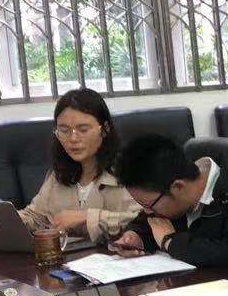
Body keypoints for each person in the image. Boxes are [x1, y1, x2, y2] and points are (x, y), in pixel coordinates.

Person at [112, 134, 228, 267]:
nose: (147, 211)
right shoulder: (170, 187)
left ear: (178, 187)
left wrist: (171, 242)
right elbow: (150, 223)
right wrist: (136, 236)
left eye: (148, 205)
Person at [16, 88, 140, 243]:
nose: (73, 139)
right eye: (64, 130)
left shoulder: (129, 171)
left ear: (105, 129)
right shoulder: (59, 174)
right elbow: (35, 217)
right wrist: (3, 219)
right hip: (69, 256)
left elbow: (145, 220)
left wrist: (87, 217)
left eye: (83, 129)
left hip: (114, 255)